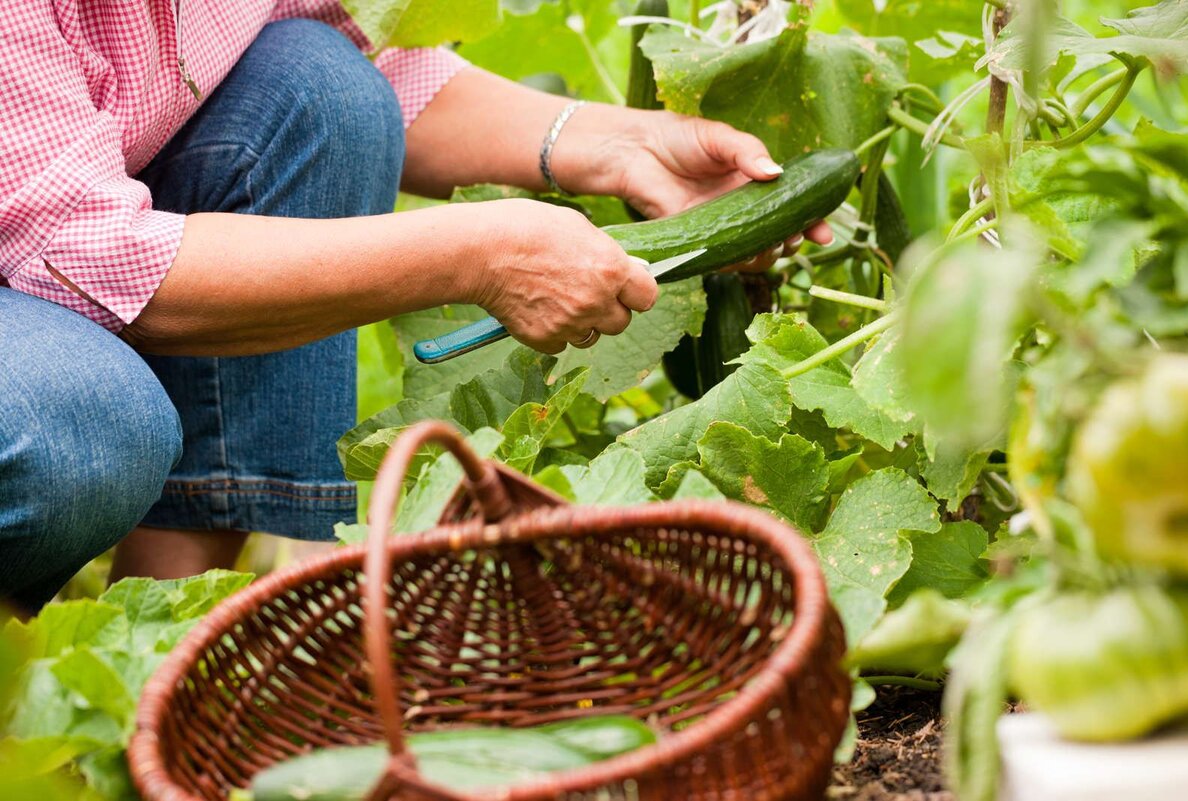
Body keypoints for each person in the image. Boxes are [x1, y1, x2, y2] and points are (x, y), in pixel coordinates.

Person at [0, 1, 833, 611]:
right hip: (55, 261)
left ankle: (159, 642)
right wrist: (476, 253)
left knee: (322, 88)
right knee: (85, 427)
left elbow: (370, 60)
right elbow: (87, 254)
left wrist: (626, 147)